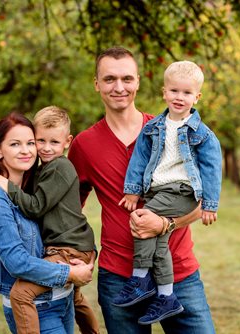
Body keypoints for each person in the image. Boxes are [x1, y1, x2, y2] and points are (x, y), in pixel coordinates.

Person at [68, 46, 217, 333]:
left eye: (127, 78)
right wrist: (73, 254)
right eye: (109, 79)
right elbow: (69, 209)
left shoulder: (174, 131)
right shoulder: (85, 145)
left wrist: (165, 223)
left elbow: (203, 199)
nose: (119, 87)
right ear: (97, 84)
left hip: (179, 271)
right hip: (119, 277)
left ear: (138, 82)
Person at [112, 60, 222, 325]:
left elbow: (212, 168)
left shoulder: (203, 135)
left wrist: (210, 204)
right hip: (159, 190)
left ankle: (140, 278)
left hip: (183, 192)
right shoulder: (152, 128)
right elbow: (138, 160)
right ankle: (166, 295)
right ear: (164, 92)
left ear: (197, 97)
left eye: (186, 93)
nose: (179, 97)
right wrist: (132, 191)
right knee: (158, 239)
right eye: (174, 91)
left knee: (142, 219)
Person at [0, 107, 99, 334]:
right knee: (20, 293)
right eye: (16, 144)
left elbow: (40, 209)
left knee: (75, 296)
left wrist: (87, 255)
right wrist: (72, 272)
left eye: (29, 143)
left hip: (61, 289)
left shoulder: (56, 169)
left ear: (66, 142)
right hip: (42, 308)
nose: (41, 148)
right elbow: (16, 261)